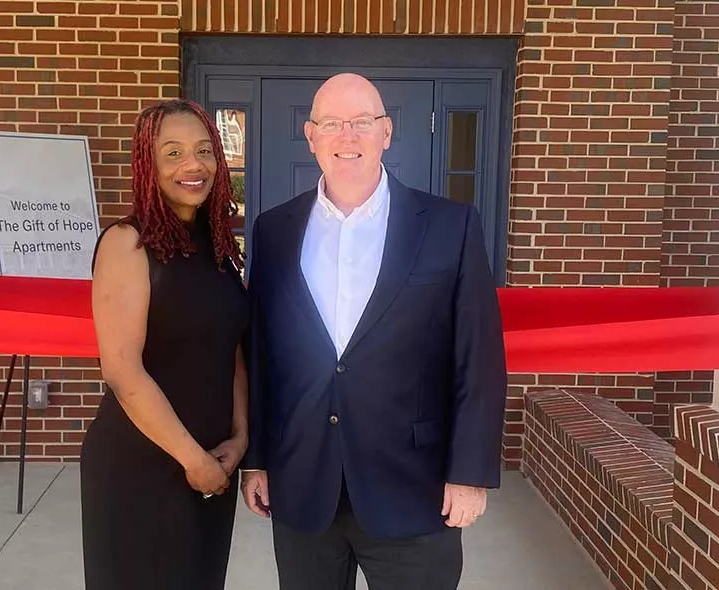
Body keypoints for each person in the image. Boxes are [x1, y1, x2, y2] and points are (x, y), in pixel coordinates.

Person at [241, 73, 508, 589]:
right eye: (333, 124)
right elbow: (262, 354)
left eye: (362, 123)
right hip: (303, 489)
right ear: (310, 135)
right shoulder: (273, 231)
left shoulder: (451, 225)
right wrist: (257, 461)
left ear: (386, 132)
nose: (348, 137)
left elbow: (478, 359)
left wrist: (471, 472)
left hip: (414, 490)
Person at [80, 98, 249, 590]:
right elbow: (122, 371)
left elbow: (233, 353)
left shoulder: (218, 250)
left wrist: (239, 438)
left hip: (213, 467)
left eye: (203, 150)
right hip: (143, 466)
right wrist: (193, 460)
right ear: (147, 165)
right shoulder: (127, 244)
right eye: (172, 153)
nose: (192, 165)